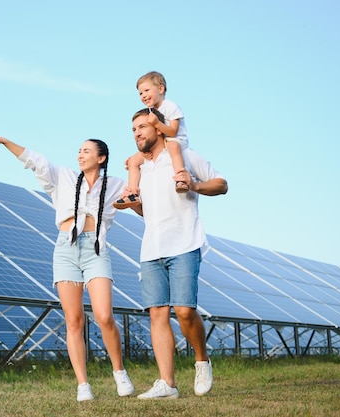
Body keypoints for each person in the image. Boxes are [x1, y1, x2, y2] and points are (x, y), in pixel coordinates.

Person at [0, 126, 134, 402]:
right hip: (65, 249)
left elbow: (141, 182)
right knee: (73, 320)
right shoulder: (63, 177)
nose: (80, 155)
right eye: (78, 151)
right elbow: (34, 160)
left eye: (86, 150)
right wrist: (4, 142)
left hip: (95, 249)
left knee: (103, 315)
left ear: (102, 157)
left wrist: (135, 163)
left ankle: (119, 371)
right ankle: (83, 384)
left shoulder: (116, 185)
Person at [126, 108, 228, 399]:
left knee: (184, 310)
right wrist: (132, 203)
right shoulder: (140, 169)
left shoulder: (183, 154)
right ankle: (167, 384)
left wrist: (194, 184)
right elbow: (148, 212)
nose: (138, 133)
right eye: (134, 130)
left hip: (185, 243)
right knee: (157, 314)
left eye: (143, 127)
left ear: (159, 128)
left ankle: (201, 360)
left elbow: (222, 184)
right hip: (151, 249)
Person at [114, 71, 190, 210]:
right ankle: (132, 193)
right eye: (140, 93)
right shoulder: (150, 110)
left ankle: (180, 179)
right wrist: (144, 152)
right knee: (133, 161)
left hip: (176, 141)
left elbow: (173, 131)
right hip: (161, 144)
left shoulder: (170, 106)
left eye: (146, 90)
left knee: (173, 147)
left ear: (160, 89)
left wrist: (157, 124)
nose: (143, 96)